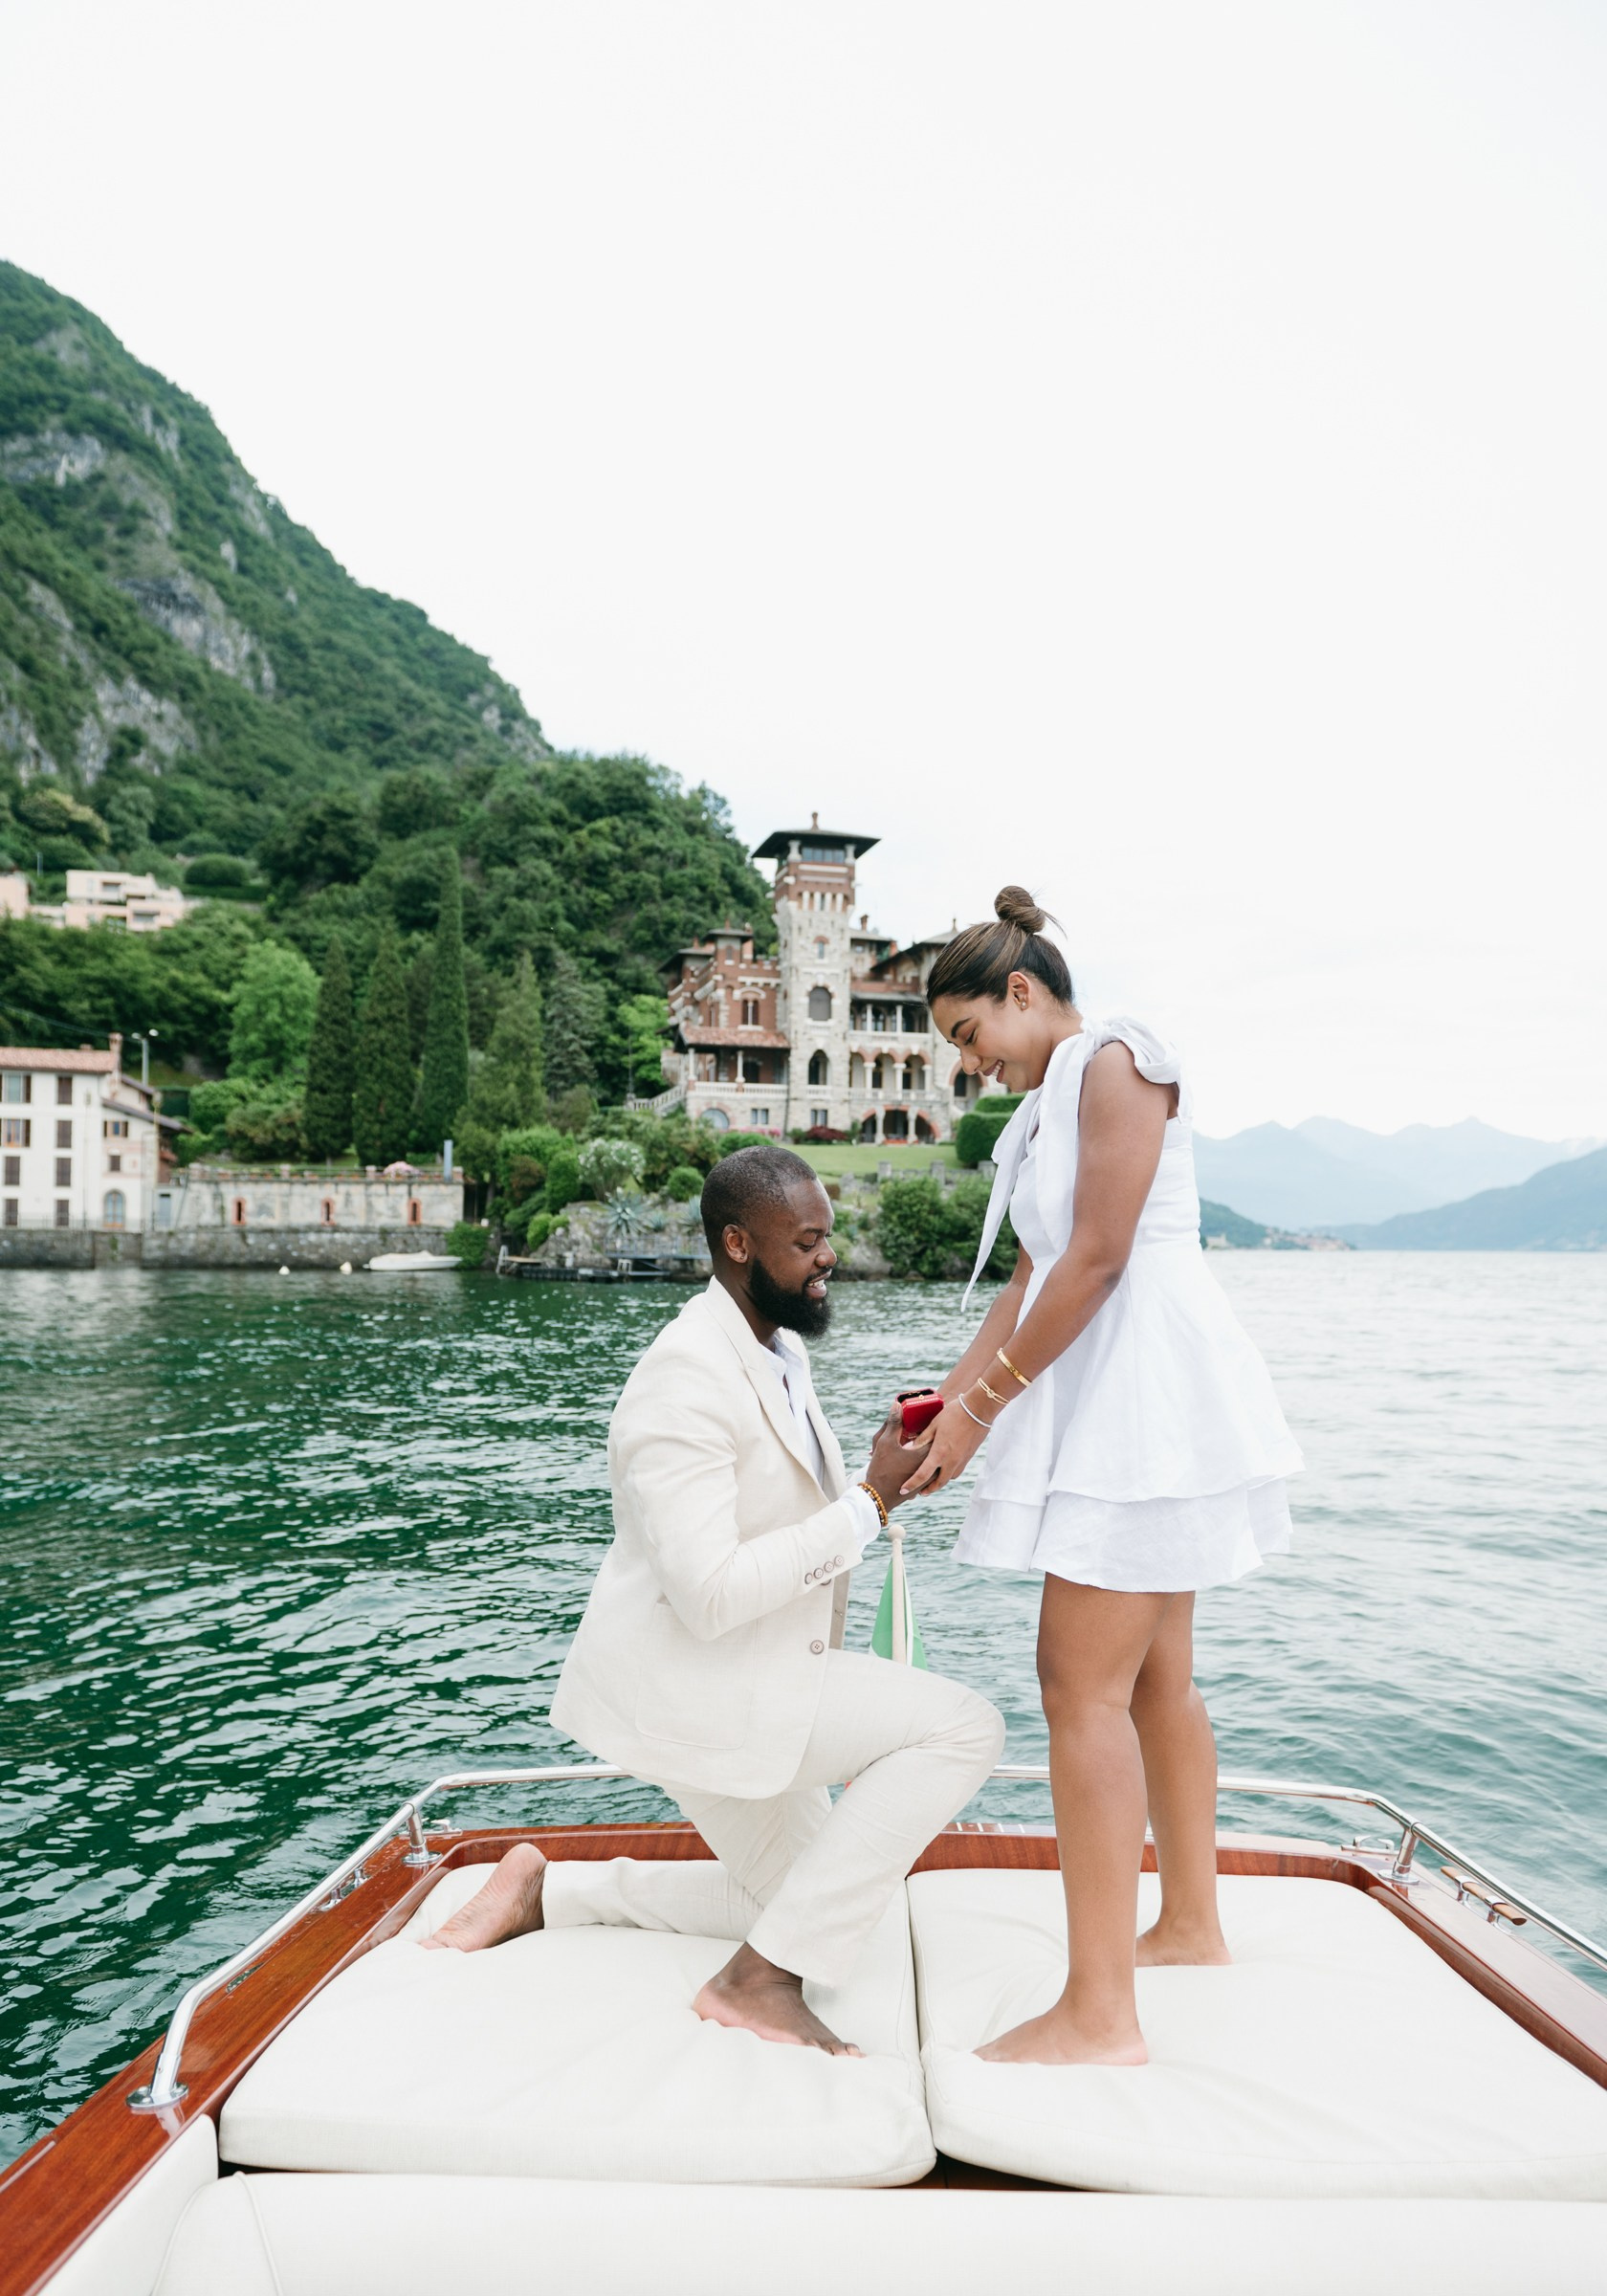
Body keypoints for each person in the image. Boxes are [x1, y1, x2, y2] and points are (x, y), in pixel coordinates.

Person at [425, 1143, 1005, 2055]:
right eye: (808, 1241)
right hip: (705, 1685)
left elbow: (779, 1517)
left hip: (755, 1672)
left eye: (828, 1237)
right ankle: (752, 1985)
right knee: (964, 1728)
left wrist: (870, 1479)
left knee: (828, 1901)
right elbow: (709, 1594)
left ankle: (551, 1893)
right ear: (738, 1243)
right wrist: (869, 1503)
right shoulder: (683, 1376)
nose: (829, 1258)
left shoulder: (769, 1348)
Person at [904, 888, 1302, 2066]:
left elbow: (1101, 1257)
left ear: (1019, 992)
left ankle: (1100, 2015)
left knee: (1078, 1684)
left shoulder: (1119, 1060)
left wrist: (984, 1413)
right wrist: (948, 1399)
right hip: (1122, 1395)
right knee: (1154, 1681)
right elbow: (1026, 1280)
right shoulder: (1045, 1110)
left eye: (970, 1037)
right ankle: (1187, 1925)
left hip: (1148, 1398)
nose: (971, 1067)